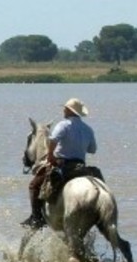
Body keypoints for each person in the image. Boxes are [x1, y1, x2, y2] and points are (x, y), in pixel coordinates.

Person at [20, 98, 97, 229]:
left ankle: (36, 218)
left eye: (65, 108)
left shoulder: (63, 125)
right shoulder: (88, 129)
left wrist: (50, 157)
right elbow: (92, 150)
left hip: (63, 163)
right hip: (80, 165)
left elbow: (53, 141)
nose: (63, 110)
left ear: (69, 110)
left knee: (34, 185)